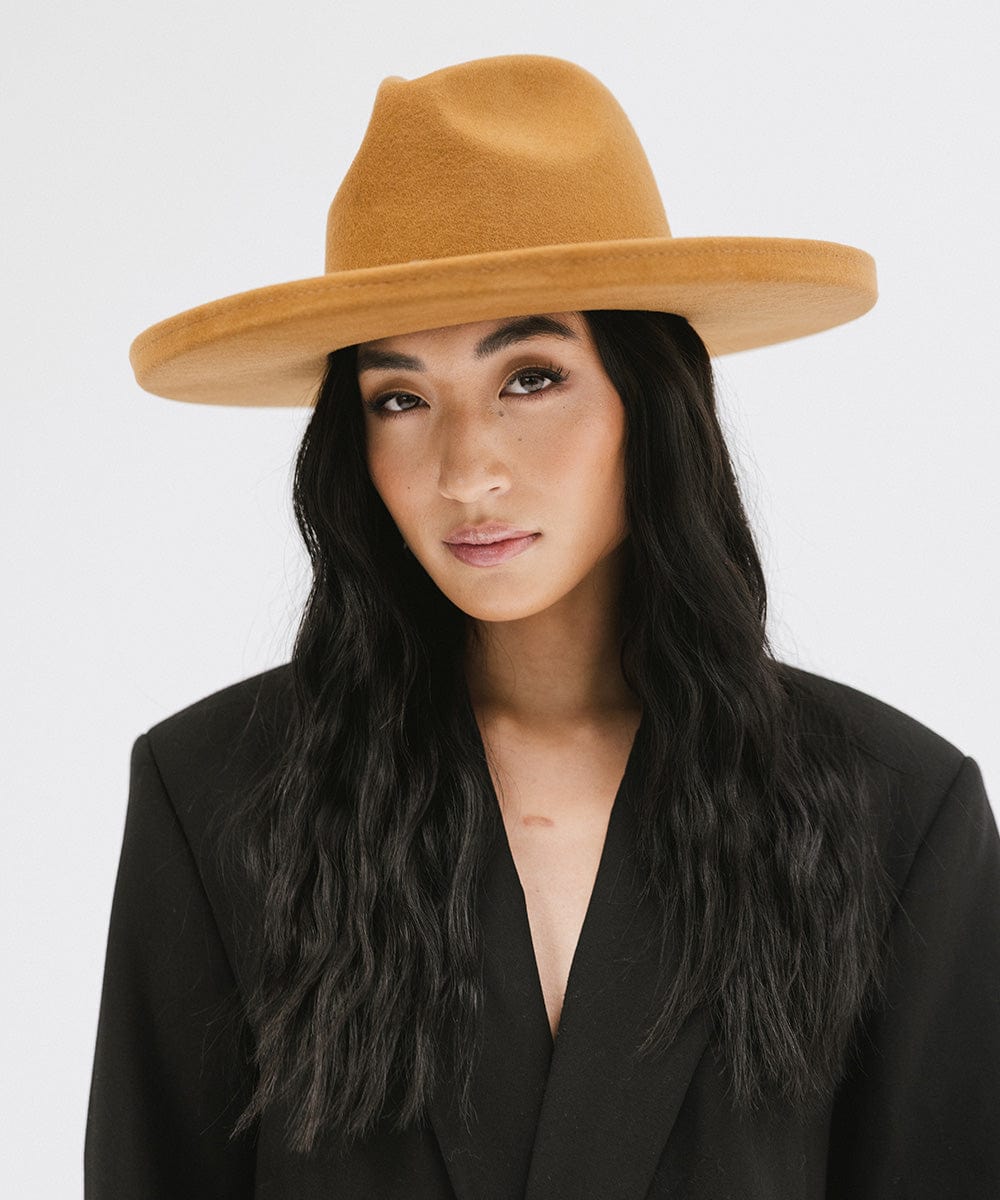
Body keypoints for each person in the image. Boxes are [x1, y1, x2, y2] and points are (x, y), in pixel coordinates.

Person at [85, 54, 1000, 1200]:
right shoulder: (217, 794)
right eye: (399, 398)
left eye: (529, 377)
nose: (467, 469)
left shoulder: (892, 812)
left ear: (648, 400)